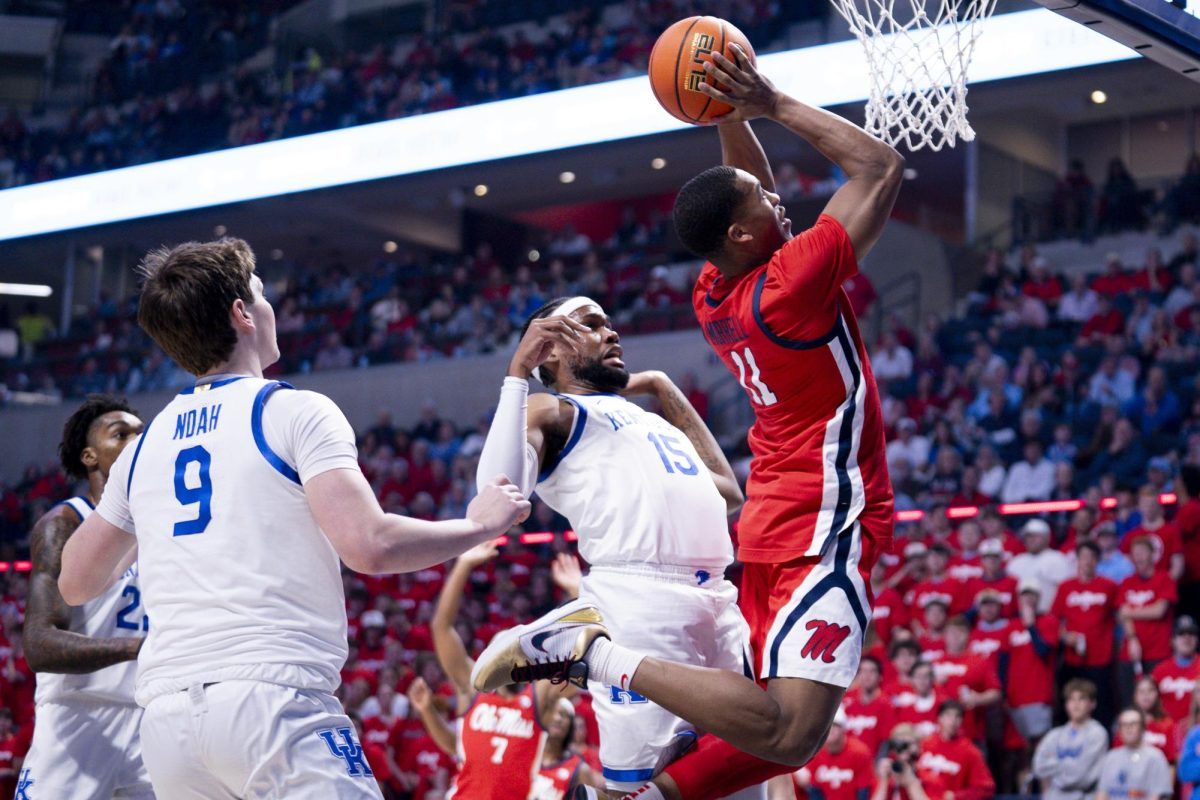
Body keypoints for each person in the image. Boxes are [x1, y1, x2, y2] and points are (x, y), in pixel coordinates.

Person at [474, 42, 904, 800]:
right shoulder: (783, 290)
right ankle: (591, 656)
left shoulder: (715, 289)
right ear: (744, 236)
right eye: (765, 207)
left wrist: (727, 113)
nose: (779, 204)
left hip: (762, 525)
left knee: (768, 732)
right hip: (817, 514)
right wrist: (769, 103)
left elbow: (748, 198)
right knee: (792, 730)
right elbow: (879, 168)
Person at [56, 238, 530, 799]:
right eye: (260, 294)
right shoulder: (291, 410)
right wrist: (479, 525)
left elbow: (75, 581)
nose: (268, 306)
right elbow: (369, 546)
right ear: (241, 314)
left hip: (168, 725)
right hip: (271, 703)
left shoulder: (143, 445)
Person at [470, 295, 759, 797]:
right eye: (591, 324)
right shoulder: (552, 407)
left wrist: (663, 388)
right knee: (641, 785)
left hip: (718, 601)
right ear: (552, 350)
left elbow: (729, 493)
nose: (611, 332)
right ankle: (567, 641)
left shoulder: (649, 420)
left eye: (610, 322)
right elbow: (498, 488)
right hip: (640, 603)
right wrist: (518, 370)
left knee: (736, 778)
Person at [21, 395, 153, 798]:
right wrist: (137, 648)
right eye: (121, 434)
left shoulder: (165, 523)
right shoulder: (63, 523)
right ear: (90, 457)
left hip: (151, 718)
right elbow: (39, 645)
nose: (137, 439)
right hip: (77, 718)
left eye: (141, 432)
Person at [409, 540, 603, 799]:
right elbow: (441, 627)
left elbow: (576, 647)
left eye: (513, 650)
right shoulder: (472, 688)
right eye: (499, 648)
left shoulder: (538, 697)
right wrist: (464, 565)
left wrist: (576, 593)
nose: (507, 656)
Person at [1031, 679, 1108, 800]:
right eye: (1071, 699)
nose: (1075, 704)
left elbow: (1080, 777)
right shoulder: (1054, 735)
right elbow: (1039, 767)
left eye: (1081, 699)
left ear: (1092, 704)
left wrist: (1055, 769)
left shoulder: (1097, 733)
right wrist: (1070, 765)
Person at [913, 700, 995, 800]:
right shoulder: (924, 744)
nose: (952, 721)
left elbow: (985, 788)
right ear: (939, 718)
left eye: (957, 717)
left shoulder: (970, 751)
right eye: (948, 716)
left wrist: (957, 796)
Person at [788, 707, 874, 800]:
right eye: (827, 726)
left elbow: (863, 791)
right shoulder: (816, 753)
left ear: (843, 728)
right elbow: (815, 790)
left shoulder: (859, 752)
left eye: (835, 725)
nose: (830, 729)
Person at [1095, 709, 1171, 800]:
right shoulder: (1111, 757)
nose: (1128, 728)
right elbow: (1102, 794)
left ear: (1143, 727)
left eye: (1133, 724)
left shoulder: (1155, 757)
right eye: (1124, 724)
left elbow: (1158, 795)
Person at [1150, 615, 1200, 724]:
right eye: (1181, 634)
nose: (1187, 638)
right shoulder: (1160, 671)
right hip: (1166, 731)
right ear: (1172, 640)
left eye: (1191, 633)